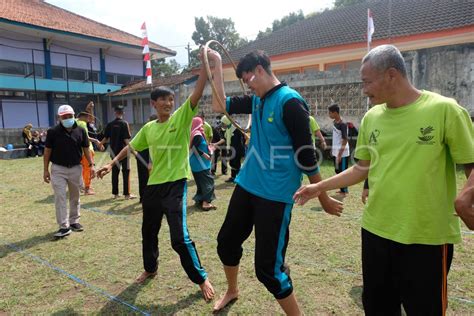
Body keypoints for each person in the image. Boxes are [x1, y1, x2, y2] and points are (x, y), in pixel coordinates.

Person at [293, 44, 474, 315]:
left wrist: (465, 199)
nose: (364, 89)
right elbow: (362, 168)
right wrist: (319, 186)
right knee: (378, 308)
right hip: (376, 232)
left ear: (391, 75)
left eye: (367, 81)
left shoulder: (445, 110)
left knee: (425, 309)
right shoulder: (372, 117)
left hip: (426, 238)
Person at [209, 49, 343, 314]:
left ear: (260, 70)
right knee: (226, 242)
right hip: (248, 184)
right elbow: (218, 105)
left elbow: (306, 156)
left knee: (268, 270)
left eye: (249, 79)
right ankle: (232, 290)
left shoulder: (290, 103)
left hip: (276, 194)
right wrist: (215, 64)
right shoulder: (257, 99)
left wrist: (323, 196)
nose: (248, 85)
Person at [96, 48, 215, 301]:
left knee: (179, 239)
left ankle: (201, 277)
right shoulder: (149, 128)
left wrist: (205, 68)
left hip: (175, 186)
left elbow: (196, 93)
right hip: (153, 188)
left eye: (171, 101)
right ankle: (150, 269)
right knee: (148, 232)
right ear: (154, 104)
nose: (168, 104)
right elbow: (131, 147)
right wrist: (111, 163)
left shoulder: (181, 119)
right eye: (163, 102)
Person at [43, 105, 95, 237]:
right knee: (60, 197)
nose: (67, 118)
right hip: (58, 169)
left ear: (73, 115)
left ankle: (74, 221)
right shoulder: (53, 132)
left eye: (69, 116)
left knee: (75, 196)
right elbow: (47, 151)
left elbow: (86, 149)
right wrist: (45, 170)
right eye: (64, 117)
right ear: (59, 117)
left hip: (76, 168)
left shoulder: (81, 130)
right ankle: (63, 226)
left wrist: (91, 165)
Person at [99, 105, 135, 199]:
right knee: (126, 172)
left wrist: (100, 144)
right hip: (123, 152)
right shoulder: (124, 123)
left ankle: (115, 194)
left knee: (115, 172)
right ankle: (127, 194)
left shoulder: (110, 124)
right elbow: (126, 139)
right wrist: (132, 150)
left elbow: (106, 138)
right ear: (123, 113)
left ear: (115, 113)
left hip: (113, 151)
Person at [190, 116, 217, 211]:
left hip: (197, 163)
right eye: (202, 123)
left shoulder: (194, 133)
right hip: (200, 163)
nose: (203, 125)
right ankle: (205, 203)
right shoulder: (197, 134)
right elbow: (194, 148)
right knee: (208, 182)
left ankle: (200, 200)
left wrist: (209, 148)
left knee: (201, 183)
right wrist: (204, 154)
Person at [77, 111, 103, 195]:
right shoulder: (82, 123)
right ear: (84, 117)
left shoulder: (75, 121)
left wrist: (90, 108)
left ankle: (84, 186)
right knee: (88, 169)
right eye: (88, 117)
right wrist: (96, 141)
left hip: (79, 150)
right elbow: (85, 137)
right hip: (87, 150)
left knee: (83, 169)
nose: (89, 119)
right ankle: (87, 188)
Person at [328, 103, 350, 196]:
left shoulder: (343, 124)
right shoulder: (334, 123)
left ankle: (344, 190)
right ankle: (342, 189)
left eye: (330, 113)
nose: (329, 115)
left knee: (343, 171)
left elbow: (345, 140)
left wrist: (340, 154)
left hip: (343, 153)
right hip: (336, 152)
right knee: (337, 170)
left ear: (335, 113)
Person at [136, 114, 157, 203]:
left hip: (140, 156)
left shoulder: (145, 129)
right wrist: (150, 162)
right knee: (149, 179)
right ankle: (147, 198)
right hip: (145, 157)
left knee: (143, 178)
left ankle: (143, 198)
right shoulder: (151, 130)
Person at [221, 116, 245, 183]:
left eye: (223, 123)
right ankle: (233, 177)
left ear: (227, 122)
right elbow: (226, 139)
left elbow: (240, 141)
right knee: (232, 163)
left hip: (237, 150)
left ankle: (238, 178)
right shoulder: (228, 129)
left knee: (236, 164)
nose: (223, 125)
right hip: (231, 150)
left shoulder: (236, 129)